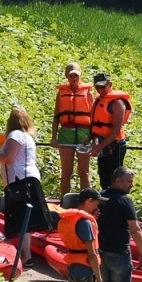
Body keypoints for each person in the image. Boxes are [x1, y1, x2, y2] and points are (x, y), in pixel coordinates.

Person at [0, 107, 49, 242]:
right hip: (28, 178)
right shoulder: (26, 136)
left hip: (20, 180)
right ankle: (26, 255)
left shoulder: (16, 134)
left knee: (20, 220)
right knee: (25, 220)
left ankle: (25, 255)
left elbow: (9, 158)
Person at [96, 167, 142, 282]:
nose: (131, 185)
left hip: (100, 253)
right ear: (118, 181)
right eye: (129, 181)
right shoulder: (125, 200)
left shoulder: (100, 197)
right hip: (119, 253)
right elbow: (135, 229)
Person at [59, 188, 105, 282]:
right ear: (89, 201)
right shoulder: (85, 223)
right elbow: (91, 255)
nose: (98, 206)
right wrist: (99, 279)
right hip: (86, 270)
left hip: (73, 269)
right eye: (97, 203)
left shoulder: (68, 219)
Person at [52, 63, 95, 197]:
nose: (73, 78)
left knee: (83, 171)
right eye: (71, 75)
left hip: (84, 134)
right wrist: (54, 137)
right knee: (66, 170)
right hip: (66, 133)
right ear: (66, 76)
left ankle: (87, 200)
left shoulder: (88, 93)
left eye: (76, 75)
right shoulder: (61, 94)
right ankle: (64, 201)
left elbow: (94, 118)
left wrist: (95, 138)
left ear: (80, 75)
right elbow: (56, 117)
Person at [87, 72, 132, 190]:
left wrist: (98, 147)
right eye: (97, 87)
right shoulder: (99, 100)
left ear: (110, 84)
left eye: (103, 86)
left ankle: (117, 205)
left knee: (115, 181)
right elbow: (98, 124)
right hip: (103, 144)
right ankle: (106, 205)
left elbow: (116, 129)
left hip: (115, 145)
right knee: (104, 179)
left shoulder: (117, 102)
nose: (100, 90)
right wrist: (91, 137)